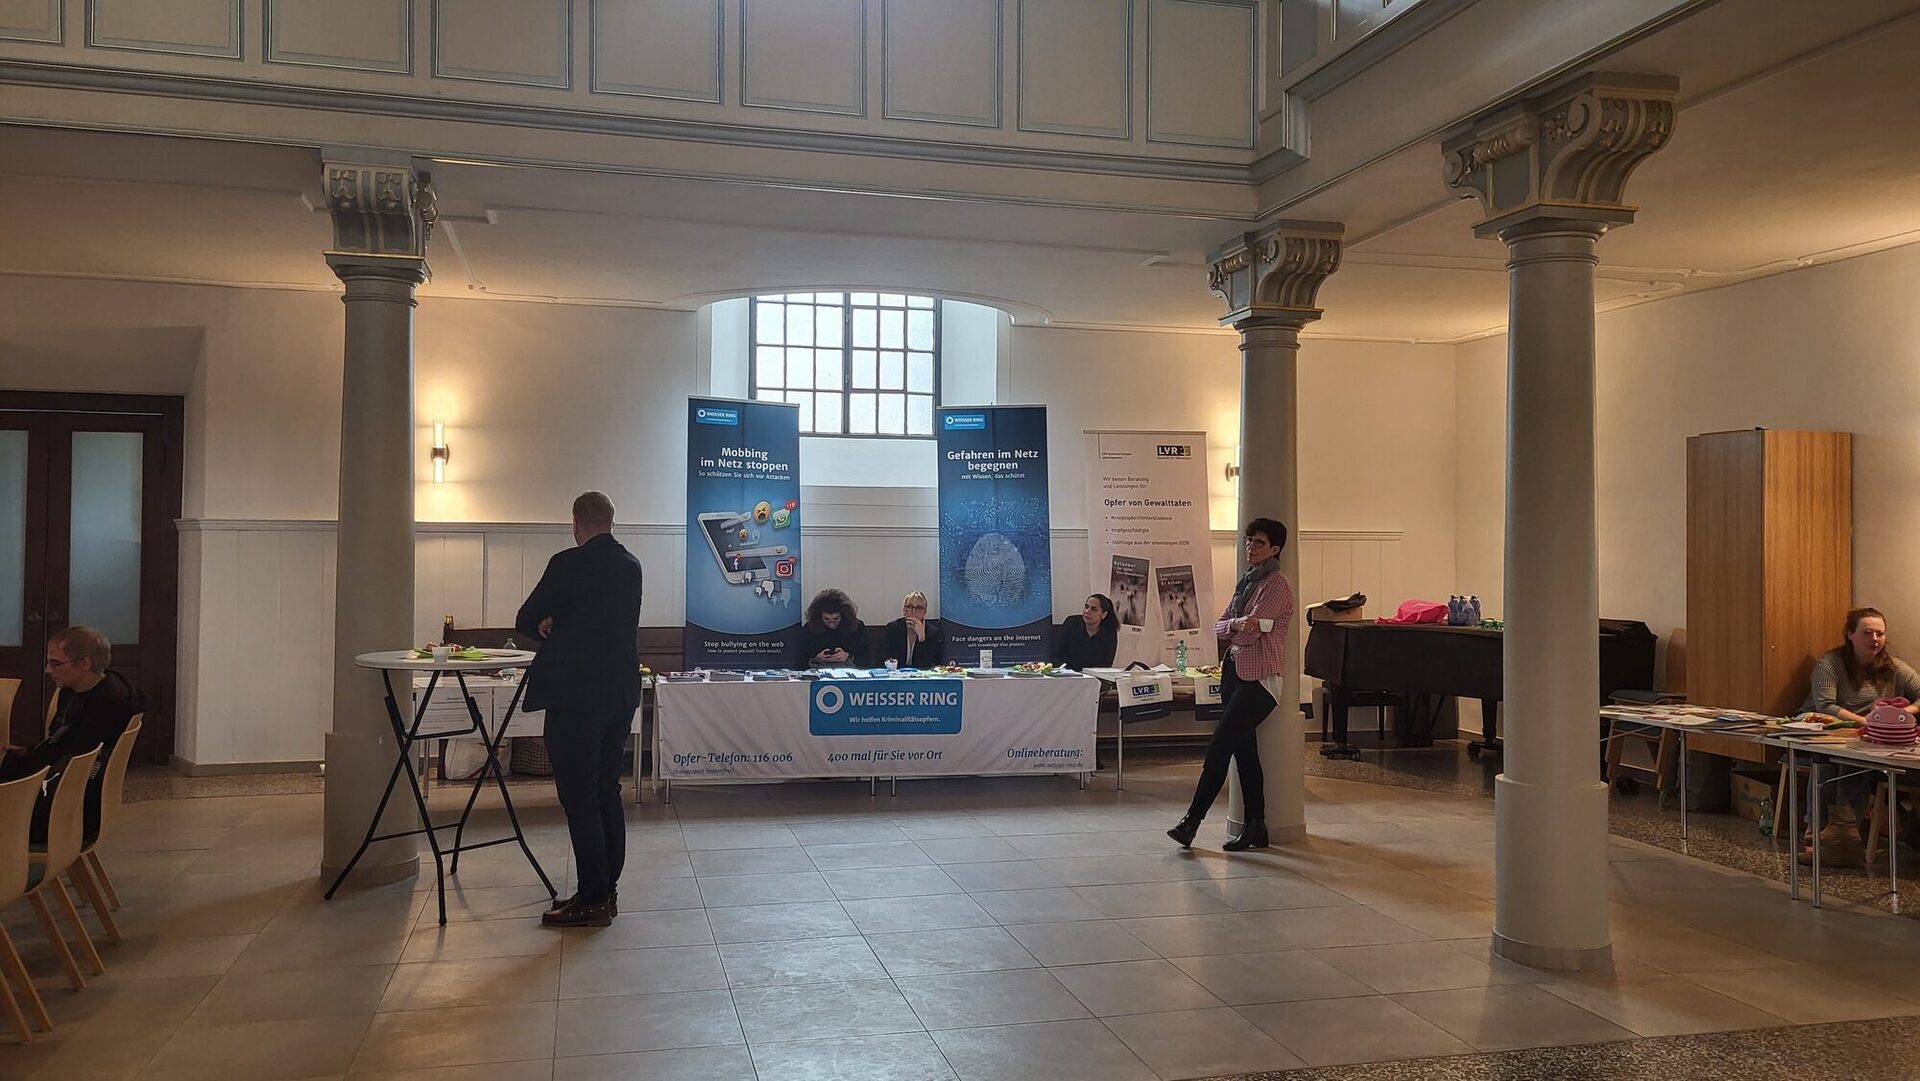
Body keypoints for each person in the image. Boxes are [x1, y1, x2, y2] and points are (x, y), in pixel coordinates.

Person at [516, 491, 644, 928]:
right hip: (620, 691)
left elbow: (526, 618)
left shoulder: (567, 564)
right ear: (612, 521)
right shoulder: (631, 566)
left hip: (575, 696)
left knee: (579, 796)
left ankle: (592, 897)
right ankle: (607, 888)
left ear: (575, 525)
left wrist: (549, 621)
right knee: (606, 788)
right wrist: (560, 618)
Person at [1168, 518, 1293, 852]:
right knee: (1245, 753)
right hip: (1234, 674)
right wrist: (1238, 624)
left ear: (1275, 549)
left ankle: (1191, 822)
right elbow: (1219, 627)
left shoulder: (1276, 585)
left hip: (1260, 680)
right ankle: (1256, 826)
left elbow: (1249, 635)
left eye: (1259, 542)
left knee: (1219, 746)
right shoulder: (1247, 583)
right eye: (1249, 540)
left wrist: (1237, 627)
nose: (1250, 546)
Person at [1, 626, 147, 844]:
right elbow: (61, 743)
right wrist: (27, 752)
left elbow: (72, 763)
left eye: (55, 663)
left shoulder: (105, 706)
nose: (48, 670)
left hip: (68, 811)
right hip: (66, 788)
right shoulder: (85, 687)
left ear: (85, 663)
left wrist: (24, 762)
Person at [1799, 607, 1920, 864]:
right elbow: (1826, 705)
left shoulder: (1894, 667)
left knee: (1857, 757)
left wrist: (1901, 714)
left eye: (1879, 634)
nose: (1874, 639)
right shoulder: (1830, 663)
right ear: (1850, 634)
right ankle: (1818, 829)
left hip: (1868, 733)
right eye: (1867, 633)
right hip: (1827, 724)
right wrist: (1868, 722)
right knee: (1832, 758)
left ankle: (1843, 835)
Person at [797, 588, 870, 668]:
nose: (832, 624)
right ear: (819, 617)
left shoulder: (857, 627)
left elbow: (867, 659)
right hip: (818, 672)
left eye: (836, 619)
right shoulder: (809, 628)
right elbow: (799, 661)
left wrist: (848, 657)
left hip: (848, 672)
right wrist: (816, 658)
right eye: (827, 619)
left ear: (844, 615)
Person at [1053, 594, 1119, 670]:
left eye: (1094, 609)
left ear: (1104, 614)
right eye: (1086, 607)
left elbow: (1107, 663)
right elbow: (1057, 653)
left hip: (1092, 675)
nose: (1087, 611)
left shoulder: (1109, 632)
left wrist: (1090, 674)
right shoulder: (1071, 622)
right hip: (1067, 673)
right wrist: (1065, 671)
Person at [883, 591, 943, 668]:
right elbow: (891, 660)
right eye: (909, 607)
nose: (913, 612)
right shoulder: (893, 628)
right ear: (904, 610)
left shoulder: (932, 632)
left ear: (924, 612)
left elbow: (925, 665)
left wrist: (921, 637)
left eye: (919, 608)